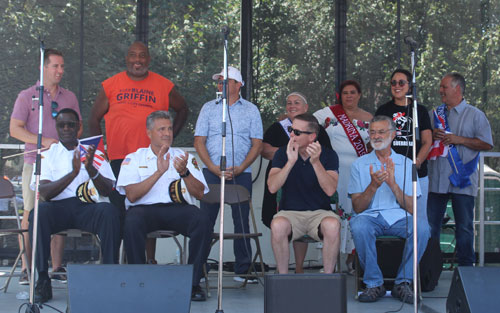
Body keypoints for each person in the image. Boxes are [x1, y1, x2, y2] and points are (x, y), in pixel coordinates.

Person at [89, 41, 188, 263]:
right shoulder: (110, 85)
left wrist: (167, 141)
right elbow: (94, 118)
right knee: (116, 213)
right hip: (118, 159)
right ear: (126, 58)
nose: (137, 60)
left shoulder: (163, 85)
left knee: (145, 208)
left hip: (150, 158)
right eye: (133, 55)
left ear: (149, 59)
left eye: (142, 55)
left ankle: (147, 261)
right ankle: (112, 264)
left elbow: (183, 108)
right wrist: (100, 152)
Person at [117, 111, 211, 301]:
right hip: (144, 210)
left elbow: (200, 193)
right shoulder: (134, 158)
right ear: (149, 133)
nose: (167, 133)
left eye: (169, 128)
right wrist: (158, 173)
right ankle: (138, 280)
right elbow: (132, 195)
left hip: (177, 209)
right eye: (161, 129)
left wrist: (185, 173)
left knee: (203, 220)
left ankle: (192, 283)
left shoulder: (183, 157)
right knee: (131, 221)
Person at [29, 109, 120, 303]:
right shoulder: (47, 155)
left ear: (79, 127)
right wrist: (73, 173)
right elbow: (44, 193)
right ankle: (43, 279)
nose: (67, 128)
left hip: (87, 208)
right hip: (58, 208)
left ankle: (110, 276)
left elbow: (108, 190)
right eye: (62, 125)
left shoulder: (93, 152)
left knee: (109, 211)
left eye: (71, 124)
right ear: (57, 128)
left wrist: (90, 169)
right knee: (38, 212)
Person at [10, 48, 83, 284]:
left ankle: (57, 266)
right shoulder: (27, 95)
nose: (60, 71)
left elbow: (78, 126)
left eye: (63, 66)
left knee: (58, 207)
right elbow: (15, 129)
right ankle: (26, 267)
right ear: (43, 67)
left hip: (63, 163)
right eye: (55, 66)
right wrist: (43, 142)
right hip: (36, 162)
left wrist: (67, 142)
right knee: (31, 212)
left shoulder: (69, 97)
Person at [348, 115, 429, 303]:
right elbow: (358, 208)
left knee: (422, 228)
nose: (376, 136)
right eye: (373, 132)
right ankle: (374, 283)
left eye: (381, 132)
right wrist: (373, 186)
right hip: (370, 217)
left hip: (400, 218)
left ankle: (403, 282)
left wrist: (393, 184)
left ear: (393, 135)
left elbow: (412, 208)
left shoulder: (408, 164)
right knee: (359, 225)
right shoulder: (359, 165)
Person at [194, 66, 263, 282]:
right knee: (204, 220)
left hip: (240, 173)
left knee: (241, 220)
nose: (220, 85)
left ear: (238, 84)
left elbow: (257, 144)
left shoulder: (251, 110)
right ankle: (199, 269)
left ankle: (243, 269)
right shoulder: (208, 108)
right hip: (211, 172)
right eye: (218, 81)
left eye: (225, 81)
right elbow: (199, 141)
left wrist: (241, 167)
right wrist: (213, 168)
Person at [427, 73, 493, 266]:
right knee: (432, 228)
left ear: (457, 89)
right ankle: (431, 269)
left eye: (444, 87)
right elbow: (423, 140)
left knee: (464, 228)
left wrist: (459, 139)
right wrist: (431, 134)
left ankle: (466, 271)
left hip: (463, 180)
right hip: (437, 180)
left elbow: (487, 144)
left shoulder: (475, 115)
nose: (440, 91)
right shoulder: (434, 114)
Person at [261, 92, 332, 273]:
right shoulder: (278, 128)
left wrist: (312, 159)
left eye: (297, 103)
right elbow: (264, 149)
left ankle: (305, 270)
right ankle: (284, 275)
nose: (292, 105)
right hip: (285, 186)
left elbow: (326, 156)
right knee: (280, 223)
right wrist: (289, 153)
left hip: (314, 193)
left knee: (323, 220)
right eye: (289, 102)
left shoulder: (318, 132)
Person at [313, 80, 372, 274]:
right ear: (340, 96)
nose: (349, 96)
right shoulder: (328, 114)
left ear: (359, 94)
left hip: (358, 174)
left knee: (356, 213)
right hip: (333, 172)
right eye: (345, 93)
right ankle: (329, 263)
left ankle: (352, 261)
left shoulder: (369, 118)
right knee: (331, 214)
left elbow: (374, 145)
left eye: (353, 92)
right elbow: (308, 123)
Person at [375, 69, 432, 238]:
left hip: (417, 173)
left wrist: (417, 162)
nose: (397, 86)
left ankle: (417, 264)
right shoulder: (384, 109)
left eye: (401, 82)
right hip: (391, 173)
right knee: (391, 219)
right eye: (393, 83)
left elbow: (427, 141)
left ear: (409, 86)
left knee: (419, 222)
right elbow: (377, 140)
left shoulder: (419, 110)